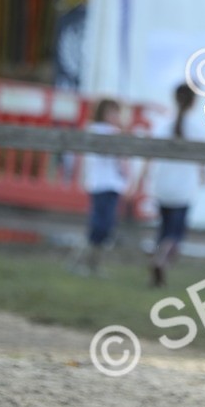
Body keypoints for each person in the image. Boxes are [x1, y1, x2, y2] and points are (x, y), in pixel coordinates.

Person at [148, 83, 205, 287]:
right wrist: (203, 177)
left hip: (162, 185)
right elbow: (203, 160)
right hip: (183, 189)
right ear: (193, 102)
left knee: (163, 230)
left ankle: (158, 258)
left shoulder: (162, 126)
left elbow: (150, 155)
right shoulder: (197, 129)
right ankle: (161, 260)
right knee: (175, 234)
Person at [73, 98, 133, 276]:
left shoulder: (91, 130)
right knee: (103, 225)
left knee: (99, 225)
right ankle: (86, 262)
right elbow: (122, 160)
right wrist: (128, 179)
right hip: (108, 183)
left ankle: (87, 262)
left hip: (99, 182)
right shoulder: (112, 132)